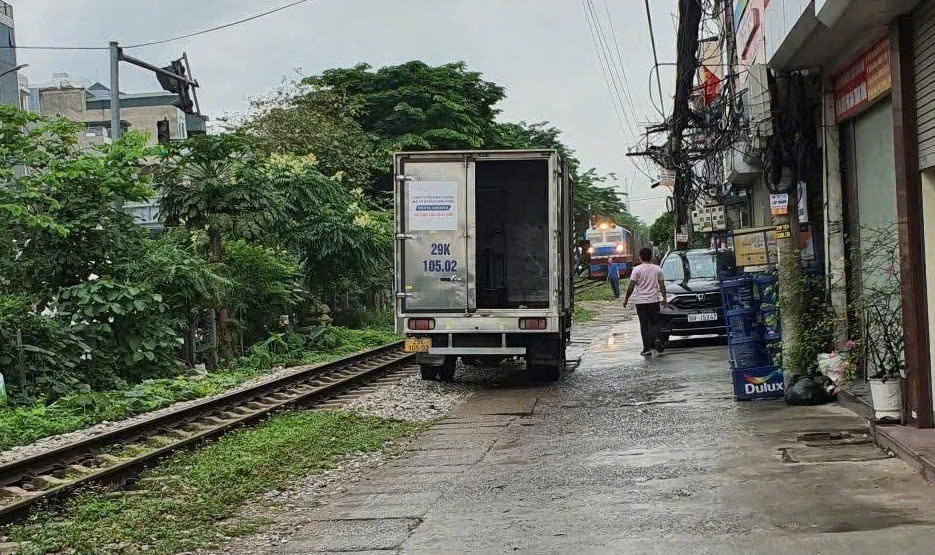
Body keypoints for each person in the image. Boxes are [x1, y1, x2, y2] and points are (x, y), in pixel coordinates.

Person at [623, 247, 668, 356]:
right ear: (651, 256)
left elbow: (631, 285)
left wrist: (626, 299)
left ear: (640, 257)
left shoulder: (636, 270)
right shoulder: (657, 269)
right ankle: (657, 339)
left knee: (644, 325)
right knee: (655, 323)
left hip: (641, 302)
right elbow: (662, 285)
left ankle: (646, 348)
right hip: (653, 300)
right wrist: (665, 298)